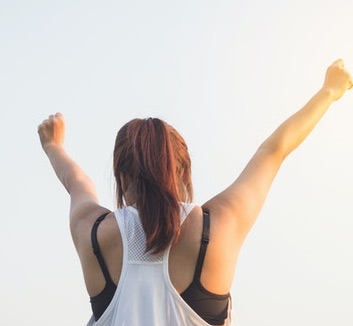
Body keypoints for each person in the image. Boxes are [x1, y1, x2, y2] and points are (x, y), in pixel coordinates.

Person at [38, 59, 352, 326]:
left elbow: (77, 182)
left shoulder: (93, 235)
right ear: (185, 173)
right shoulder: (216, 229)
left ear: (121, 178)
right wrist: (328, 93)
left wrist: (53, 146)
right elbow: (272, 151)